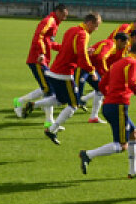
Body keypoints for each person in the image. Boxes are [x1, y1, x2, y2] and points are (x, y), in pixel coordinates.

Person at [78, 40, 136, 178]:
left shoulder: (118, 63)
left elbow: (101, 84)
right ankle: (88, 155)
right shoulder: (135, 63)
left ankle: (133, 171)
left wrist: (109, 96)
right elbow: (133, 83)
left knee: (134, 134)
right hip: (118, 105)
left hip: (110, 105)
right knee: (121, 145)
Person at [38, 13, 102, 145]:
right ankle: (51, 129)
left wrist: (85, 51)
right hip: (65, 72)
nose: (96, 29)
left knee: (60, 100)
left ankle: (31, 105)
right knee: (74, 105)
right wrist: (92, 70)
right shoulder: (84, 34)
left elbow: (68, 49)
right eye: (96, 26)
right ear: (90, 23)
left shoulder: (71, 29)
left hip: (55, 70)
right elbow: (81, 56)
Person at [14, 4, 67, 122]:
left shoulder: (54, 23)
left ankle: (20, 101)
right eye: (64, 15)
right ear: (58, 12)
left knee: (47, 88)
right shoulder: (50, 21)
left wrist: (65, 48)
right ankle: (49, 122)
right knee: (49, 89)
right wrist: (42, 53)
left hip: (42, 60)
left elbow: (50, 43)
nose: (65, 18)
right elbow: (38, 36)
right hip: (38, 59)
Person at [84, 30, 129, 124]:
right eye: (124, 44)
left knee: (100, 89)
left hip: (90, 68)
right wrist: (105, 73)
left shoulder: (116, 47)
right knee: (62, 100)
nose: (125, 46)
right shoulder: (111, 44)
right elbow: (100, 58)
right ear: (119, 41)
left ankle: (93, 116)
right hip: (83, 67)